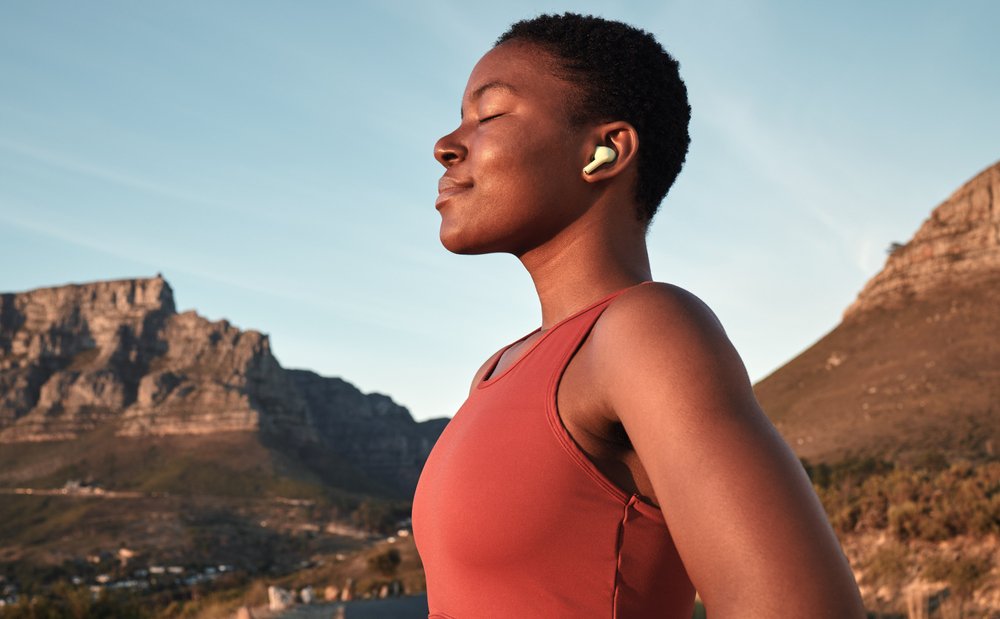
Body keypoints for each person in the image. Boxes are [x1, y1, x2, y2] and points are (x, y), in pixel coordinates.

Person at [412, 12, 865, 619]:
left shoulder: (645, 331)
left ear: (604, 152)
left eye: (488, 114)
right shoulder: (498, 371)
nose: (446, 145)